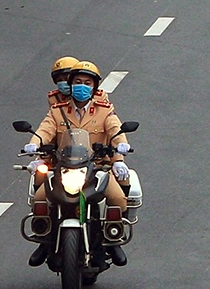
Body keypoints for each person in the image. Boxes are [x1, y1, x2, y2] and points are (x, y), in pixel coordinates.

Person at [23, 61, 130, 267]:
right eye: (78, 82)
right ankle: (44, 240)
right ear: (71, 85)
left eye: (87, 83)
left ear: (94, 87)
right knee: (39, 199)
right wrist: (33, 144)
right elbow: (45, 130)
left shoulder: (105, 110)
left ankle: (114, 238)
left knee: (118, 198)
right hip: (63, 167)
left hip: (97, 166)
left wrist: (122, 147)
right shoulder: (57, 110)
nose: (82, 86)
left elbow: (116, 130)